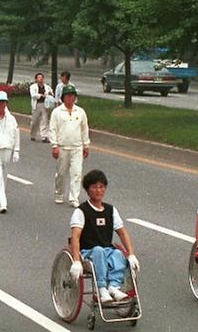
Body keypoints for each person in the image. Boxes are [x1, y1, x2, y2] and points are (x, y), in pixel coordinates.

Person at [68, 170, 139, 302]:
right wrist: (77, 261)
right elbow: (75, 236)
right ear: (88, 190)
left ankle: (113, 286)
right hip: (87, 252)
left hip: (106, 250)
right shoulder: (81, 211)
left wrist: (131, 254)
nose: (98, 190)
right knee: (98, 250)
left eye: (101, 187)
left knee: (118, 254)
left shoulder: (111, 210)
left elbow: (122, 232)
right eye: (94, 187)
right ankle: (102, 289)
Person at [49, 84, 90, 207]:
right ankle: (59, 193)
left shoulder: (80, 111)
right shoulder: (57, 112)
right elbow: (52, 129)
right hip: (62, 147)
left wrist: (86, 145)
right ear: (63, 97)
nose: (70, 98)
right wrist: (54, 146)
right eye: (67, 96)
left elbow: (84, 129)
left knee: (77, 173)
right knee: (61, 174)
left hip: (77, 147)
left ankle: (74, 197)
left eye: (72, 96)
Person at [29, 73, 54, 142]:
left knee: (45, 120)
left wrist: (50, 94)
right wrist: (41, 95)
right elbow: (33, 95)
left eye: (41, 78)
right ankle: (33, 135)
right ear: (36, 79)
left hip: (45, 105)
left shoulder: (46, 86)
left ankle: (44, 136)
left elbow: (51, 92)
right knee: (34, 121)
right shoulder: (33, 86)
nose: (40, 79)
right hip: (36, 105)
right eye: (39, 78)